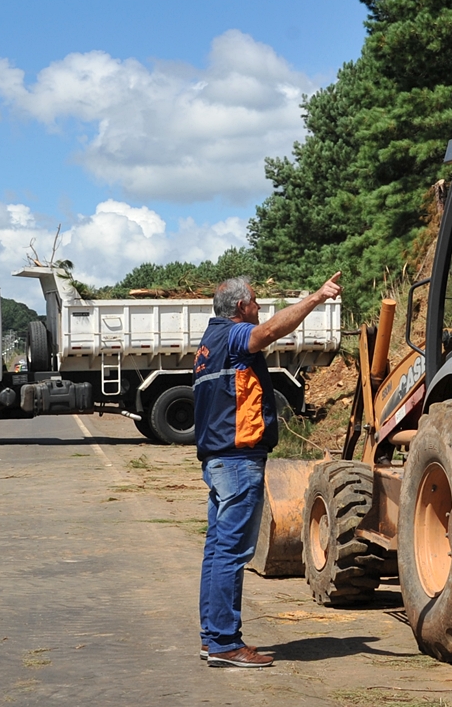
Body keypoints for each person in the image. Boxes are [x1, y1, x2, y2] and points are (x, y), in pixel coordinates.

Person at [194, 272, 342, 669]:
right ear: (241, 307)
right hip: (238, 459)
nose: (259, 310)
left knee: (216, 551)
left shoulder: (209, 343)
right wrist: (316, 298)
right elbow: (269, 332)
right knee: (231, 551)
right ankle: (225, 642)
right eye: (256, 303)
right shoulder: (234, 336)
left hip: (218, 459)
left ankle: (214, 638)